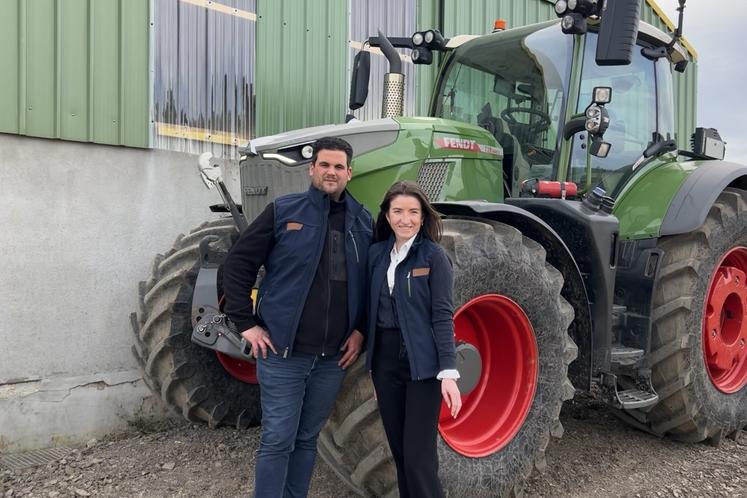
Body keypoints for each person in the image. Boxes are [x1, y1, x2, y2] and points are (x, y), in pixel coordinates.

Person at [222, 136, 373, 498]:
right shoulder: (284, 211)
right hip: (282, 353)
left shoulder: (363, 222)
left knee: (307, 439)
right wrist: (245, 323)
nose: (331, 172)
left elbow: (371, 282)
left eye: (339, 166)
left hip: (332, 359)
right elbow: (238, 264)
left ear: (349, 173)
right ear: (312, 169)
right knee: (278, 439)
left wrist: (361, 330)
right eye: (325, 165)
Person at [366, 180, 462, 498]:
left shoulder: (434, 258)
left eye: (413, 212)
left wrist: (448, 372)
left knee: (419, 459)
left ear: (423, 217)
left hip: (423, 366)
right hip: (384, 364)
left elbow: (442, 316)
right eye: (398, 211)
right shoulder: (377, 255)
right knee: (401, 455)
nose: (405, 219)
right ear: (387, 216)